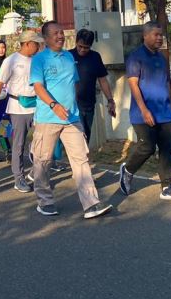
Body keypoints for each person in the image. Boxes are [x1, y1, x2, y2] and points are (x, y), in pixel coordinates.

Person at [30, 20, 112, 220]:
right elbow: (38, 87)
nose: (60, 36)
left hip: (72, 118)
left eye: (62, 32)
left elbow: (74, 84)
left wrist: (71, 105)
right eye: (56, 33)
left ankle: (91, 203)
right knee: (43, 161)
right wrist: (54, 105)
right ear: (47, 38)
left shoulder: (68, 57)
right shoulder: (39, 60)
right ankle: (45, 201)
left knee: (81, 159)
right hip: (48, 118)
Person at [118, 22, 171, 202]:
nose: (159, 38)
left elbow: (165, 83)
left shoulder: (161, 58)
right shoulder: (136, 57)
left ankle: (167, 186)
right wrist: (144, 109)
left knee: (166, 149)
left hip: (164, 112)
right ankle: (128, 170)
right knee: (147, 147)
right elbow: (133, 84)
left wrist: (169, 106)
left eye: (161, 35)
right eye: (156, 35)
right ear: (145, 35)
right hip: (143, 113)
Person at [0, 30, 43, 192]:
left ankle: (36, 173)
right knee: (18, 144)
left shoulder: (37, 60)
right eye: (36, 43)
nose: (38, 46)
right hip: (17, 107)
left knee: (41, 142)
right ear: (27, 44)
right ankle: (18, 178)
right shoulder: (11, 60)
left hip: (37, 105)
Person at [71, 29, 117, 144]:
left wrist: (110, 100)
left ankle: (82, 159)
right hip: (73, 104)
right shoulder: (68, 56)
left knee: (86, 135)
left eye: (86, 47)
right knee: (78, 136)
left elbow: (103, 80)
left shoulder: (95, 57)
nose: (82, 50)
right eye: (80, 46)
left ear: (90, 46)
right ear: (76, 42)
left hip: (89, 103)